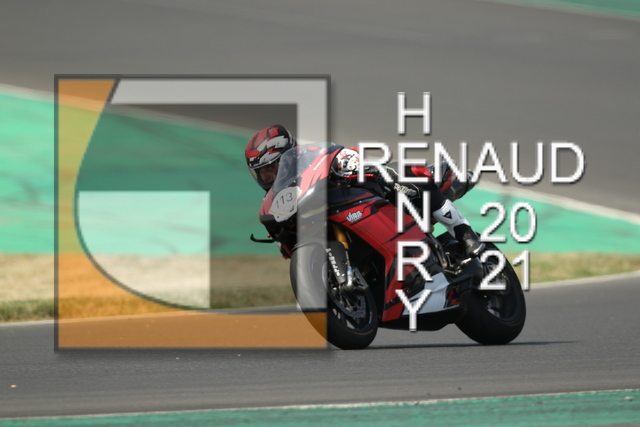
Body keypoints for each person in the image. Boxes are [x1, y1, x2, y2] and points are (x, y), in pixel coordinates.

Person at [245, 124, 485, 258]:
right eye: (262, 173)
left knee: (401, 172)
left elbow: (340, 153)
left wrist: (351, 164)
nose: (268, 177)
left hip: (366, 192)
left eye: (271, 168)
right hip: (335, 223)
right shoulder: (276, 201)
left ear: (287, 156)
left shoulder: (310, 156)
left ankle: (462, 230)